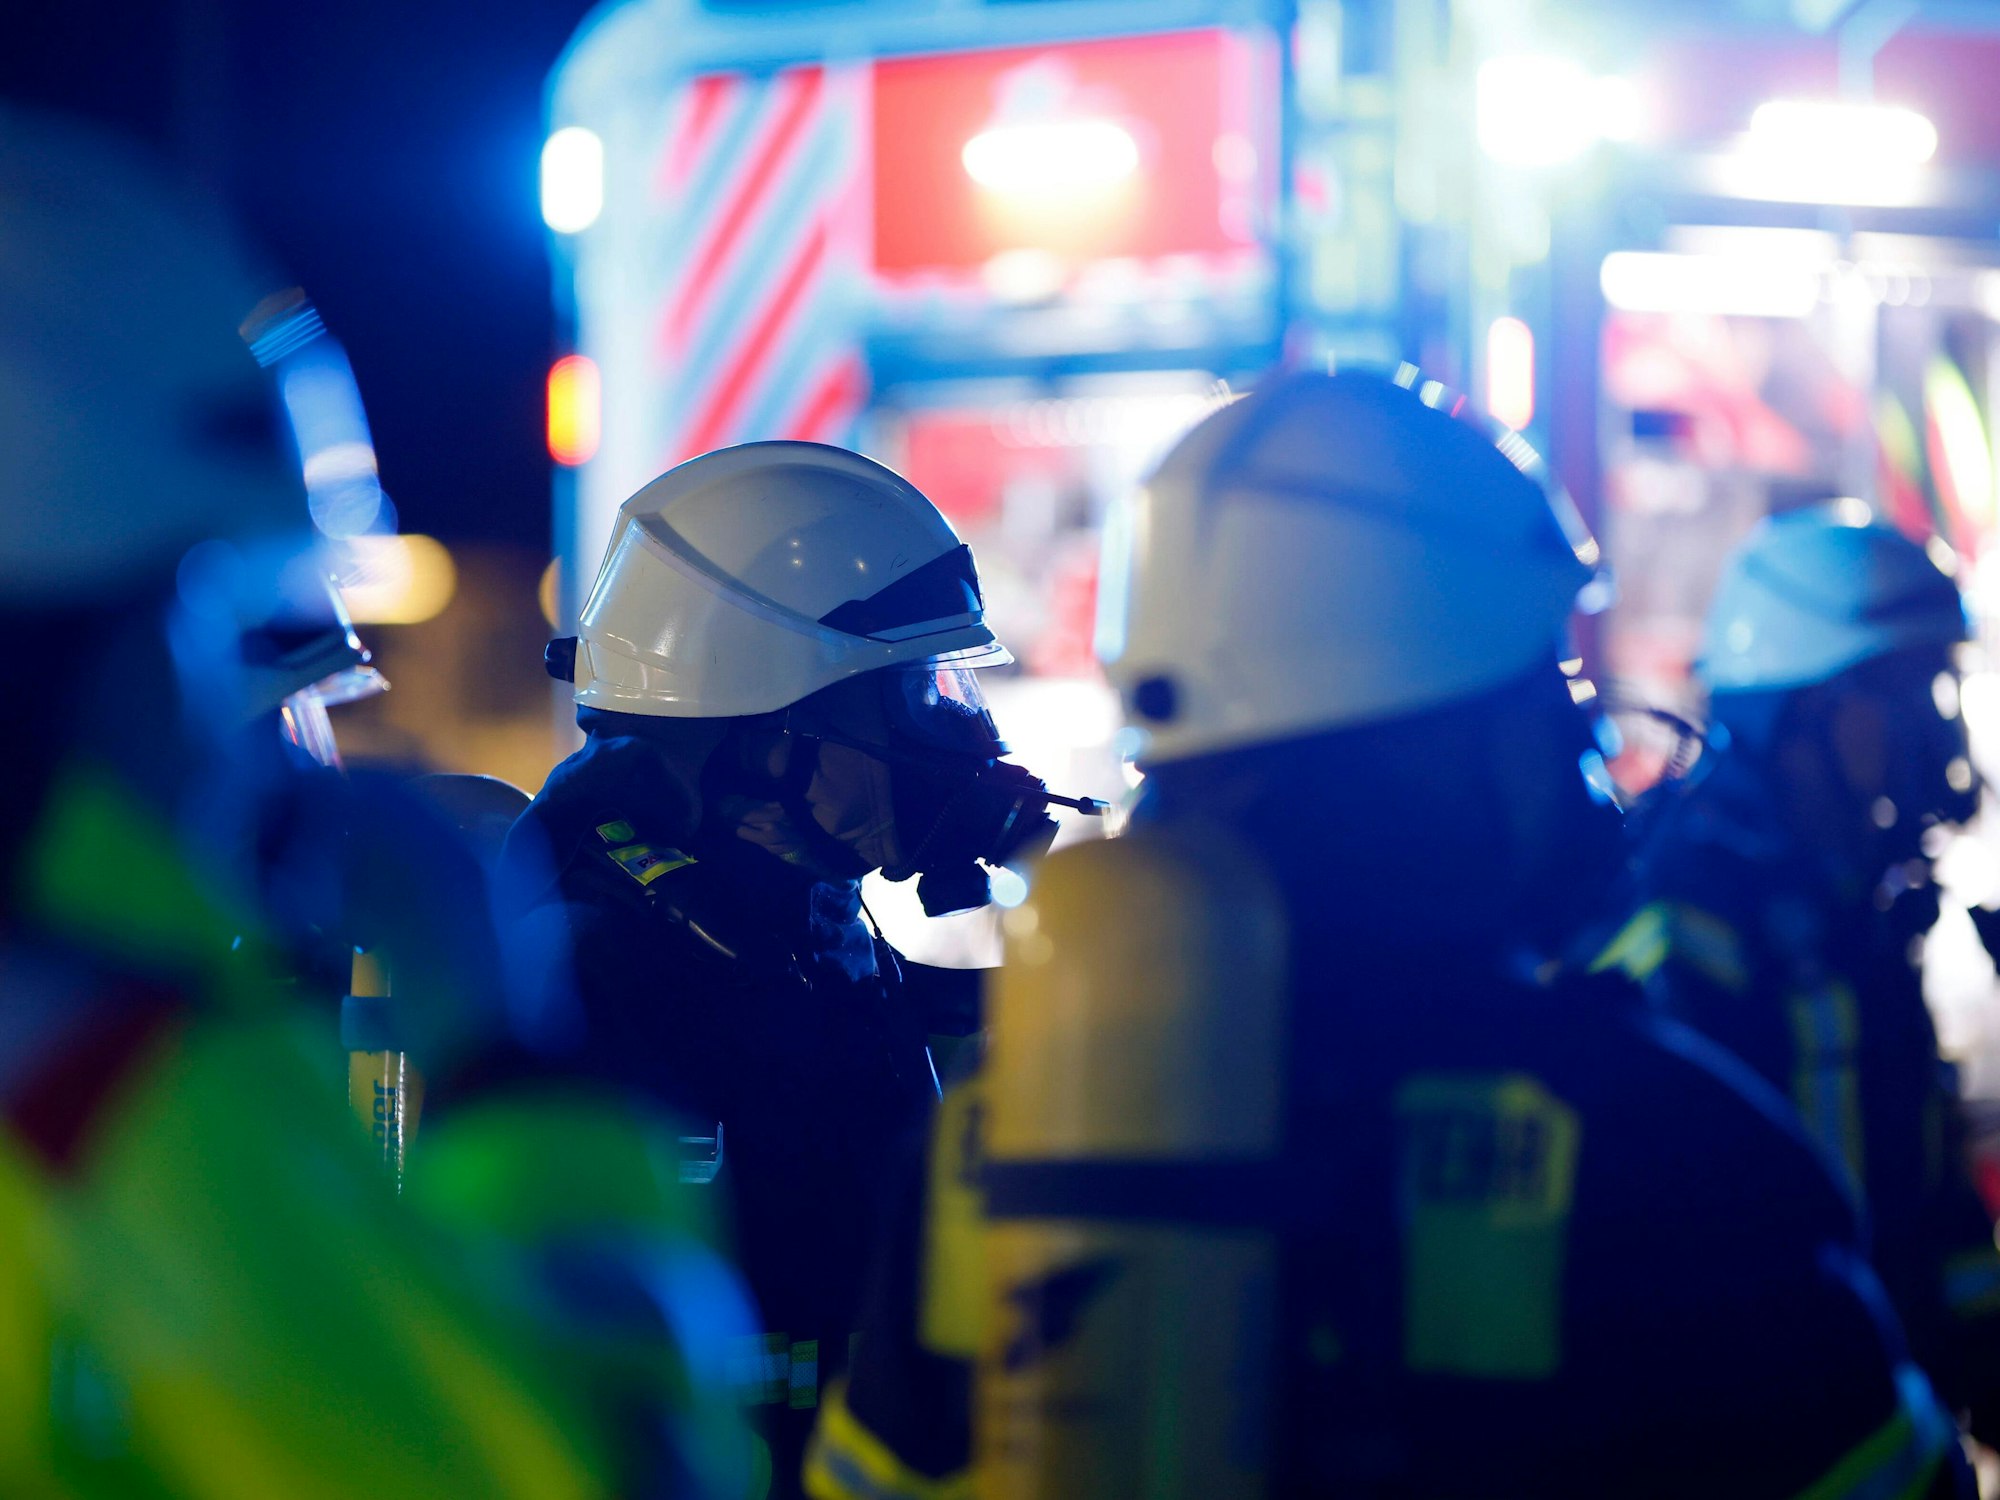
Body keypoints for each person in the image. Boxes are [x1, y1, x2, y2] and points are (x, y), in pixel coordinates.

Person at [807, 370, 1967, 1498]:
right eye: (1543, 689)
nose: (1575, 753)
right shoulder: (1669, 1146)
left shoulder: (999, 1140)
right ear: (1444, 740)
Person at [0, 104, 752, 1499]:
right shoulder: (107, 1091)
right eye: (248, 635)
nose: (270, 741)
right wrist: (511, 1068)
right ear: (116, 623)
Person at [509, 441, 1098, 1494]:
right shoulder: (588, 978)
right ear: (768, 735)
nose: (961, 737)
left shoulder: (792, 922)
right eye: (915, 697)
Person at [1609, 502, 2000, 1442]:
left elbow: (1924, 1199)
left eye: (1936, 694)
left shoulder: (1848, 914)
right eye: (1901, 695)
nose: (1933, 734)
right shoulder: (1684, 916)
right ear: (1804, 714)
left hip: (1882, 1416)